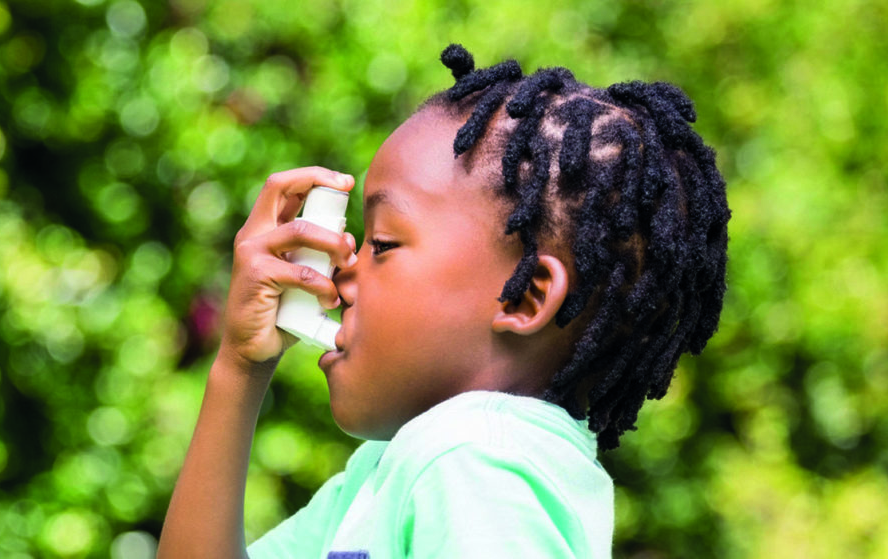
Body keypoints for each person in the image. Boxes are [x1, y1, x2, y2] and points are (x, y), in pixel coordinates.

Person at [157, 44, 730, 559]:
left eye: (382, 244)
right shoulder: (392, 473)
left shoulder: (478, 464)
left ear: (526, 297)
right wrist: (239, 365)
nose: (343, 270)